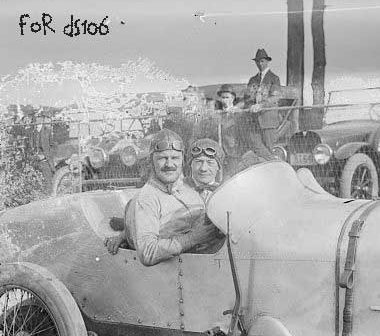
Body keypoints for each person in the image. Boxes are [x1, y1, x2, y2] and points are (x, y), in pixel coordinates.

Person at [104, 129, 222, 265]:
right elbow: (147, 253)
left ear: (182, 160)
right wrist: (192, 238)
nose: (169, 164)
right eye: (162, 158)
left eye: (175, 158)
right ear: (152, 161)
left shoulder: (188, 190)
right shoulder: (147, 198)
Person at [242, 48, 283, 162]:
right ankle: (272, 162)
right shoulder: (253, 80)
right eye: (258, 61)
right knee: (255, 145)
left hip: (268, 120)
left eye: (262, 61)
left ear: (267, 62)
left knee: (270, 148)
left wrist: (261, 106)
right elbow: (247, 98)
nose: (260, 64)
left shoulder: (274, 78)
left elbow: (275, 97)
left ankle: (273, 167)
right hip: (254, 120)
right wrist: (240, 106)